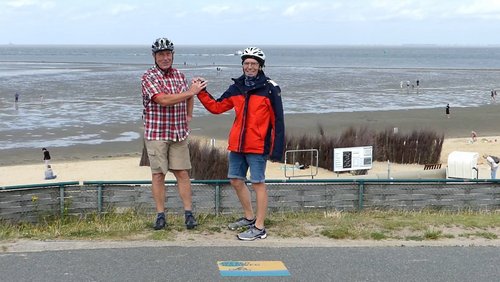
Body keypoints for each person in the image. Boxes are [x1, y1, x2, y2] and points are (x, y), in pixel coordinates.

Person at [197, 47, 285, 241]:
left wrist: (277, 150)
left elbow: (278, 120)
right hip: (237, 145)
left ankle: (260, 227)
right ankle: (249, 217)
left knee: (257, 183)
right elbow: (217, 107)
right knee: (236, 180)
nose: (250, 66)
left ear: (261, 66)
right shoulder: (237, 87)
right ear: (242, 65)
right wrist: (201, 92)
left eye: (254, 63)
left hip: (258, 145)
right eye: (246, 63)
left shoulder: (270, 88)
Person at [141, 37, 207, 230]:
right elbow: (163, 100)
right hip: (157, 133)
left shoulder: (179, 75)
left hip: (179, 132)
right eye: (161, 54)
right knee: (158, 174)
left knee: (183, 173)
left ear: (172, 55)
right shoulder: (148, 77)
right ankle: (160, 215)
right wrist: (191, 92)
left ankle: (188, 213)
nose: (165, 58)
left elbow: (189, 96)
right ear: (154, 56)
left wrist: (189, 115)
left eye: (168, 54)